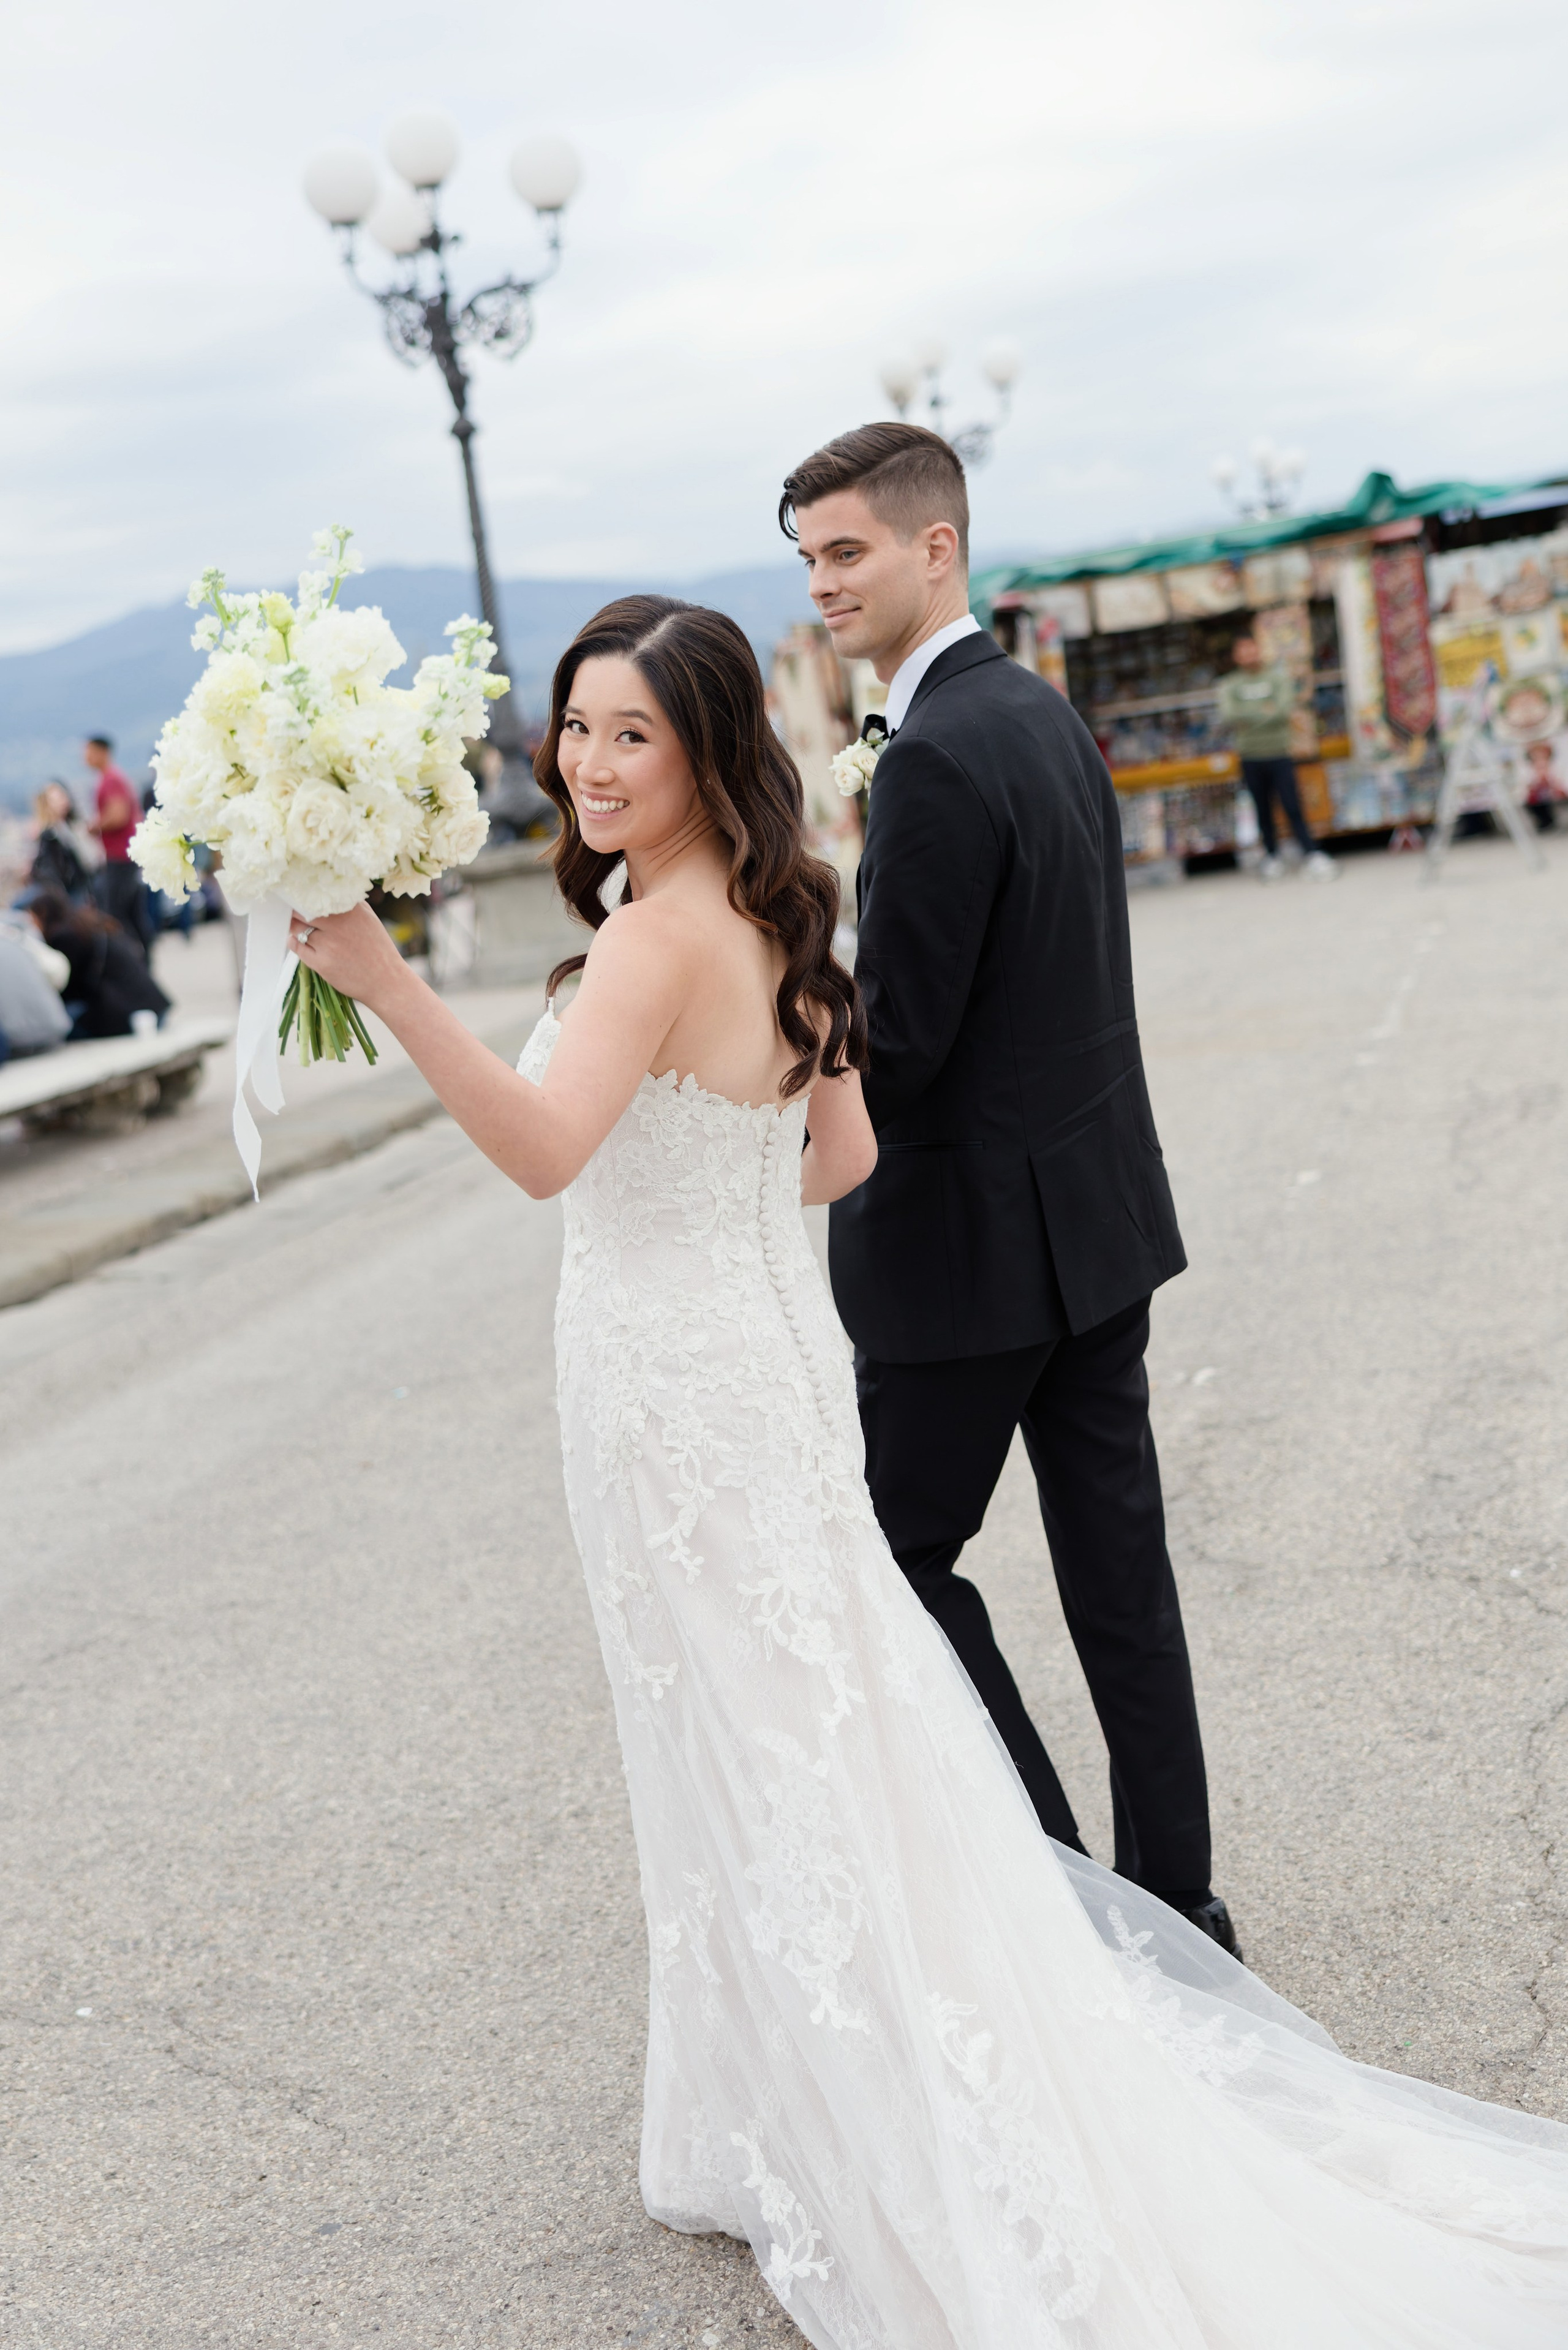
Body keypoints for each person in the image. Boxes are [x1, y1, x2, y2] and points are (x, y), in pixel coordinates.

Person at [291, 595, 1568, 2344]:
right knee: (825, 1729)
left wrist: (383, 976)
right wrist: (704, 1202)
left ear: (706, 749)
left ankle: (836, 2118)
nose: (590, 762)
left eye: (632, 734)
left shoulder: (657, 939)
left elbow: (541, 1150)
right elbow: (841, 1153)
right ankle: (779, 2090)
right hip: (770, 1367)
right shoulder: (766, 909)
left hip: (682, 1395)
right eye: (576, 727)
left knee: (752, 1739)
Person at [783, 422, 1232, 1953]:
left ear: (934, 546)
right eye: (808, 560)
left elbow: (897, 1046)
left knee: (897, 1556)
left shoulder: (931, 760)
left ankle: (1054, 1894)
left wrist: (761, 1069)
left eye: (845, 552)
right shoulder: (1039, 716)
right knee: (1120, 1576)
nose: (823, 583)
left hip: (968, 1259)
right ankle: (1180, 1902)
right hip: (1095, 1227)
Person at [1216, 636, 1336, 879]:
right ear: (1236, 656)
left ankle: (1311, 853)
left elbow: (1283, 710)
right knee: (1262, 809)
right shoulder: (1230, 684)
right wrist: (1264, 711)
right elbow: (1229, 715)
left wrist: (1248, 716)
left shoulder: (1277, 678)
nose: (1249, 655)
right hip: (1250, 754)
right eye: (1243, 651)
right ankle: (1272, 856)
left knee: (1293, 805)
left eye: (1252, 649)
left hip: (1280, 752)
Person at [25, 887, 168, 1039]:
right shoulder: (84, 923)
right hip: (152, 1008)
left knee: (56, 1025)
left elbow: (66, 986)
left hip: (131, 1013)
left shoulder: (65, 937)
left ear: (42, 914)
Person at [84, 734, 155, 951]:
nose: (86, 757)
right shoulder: (113, 777)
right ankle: (144, 955)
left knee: (118, 913)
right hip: (123, 855)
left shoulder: (111, 779)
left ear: (101, 752)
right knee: (132, 912)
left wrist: (95, 826)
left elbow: (119, 815)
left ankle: (135, 956)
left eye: (89, 752)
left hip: (121, 856)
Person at [28, 781, 95, 902]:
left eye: (62, 796)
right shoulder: (51, 835)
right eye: (56, 799)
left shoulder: (69, 827)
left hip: (78, 887)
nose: (62, 801)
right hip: (70, 890)